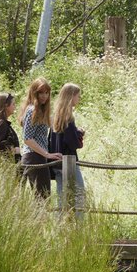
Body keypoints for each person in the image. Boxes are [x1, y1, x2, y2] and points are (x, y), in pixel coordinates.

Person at [18, 78, 60, 197]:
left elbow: (55, 126)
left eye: (46, 93)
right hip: (33, 156)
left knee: (42, 197)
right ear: (34, 93)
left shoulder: (41, 110)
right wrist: (47, 154)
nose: (44, 96)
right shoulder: (32, 110)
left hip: (37, 157)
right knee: (42, 198)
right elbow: (27, 138)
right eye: (41, 93)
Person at [50, 82, 86, 212]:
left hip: (57, 162)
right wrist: (80, 134)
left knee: (61, 196)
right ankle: (78, 226)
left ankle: (60, 225)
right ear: (71, 97)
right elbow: (72, 142)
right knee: (79, 194)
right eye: (78, 96)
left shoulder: (55, 116)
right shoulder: (68, 117)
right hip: (69, 161)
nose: (79, 99)